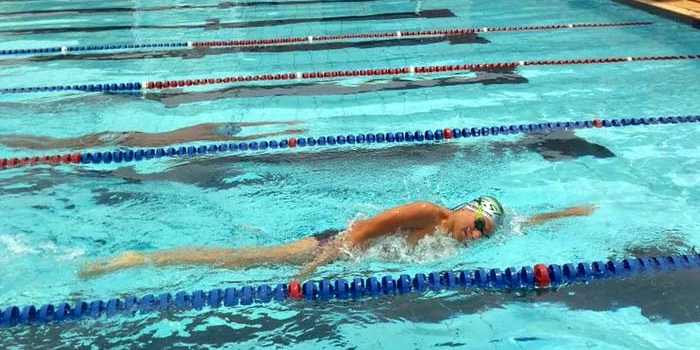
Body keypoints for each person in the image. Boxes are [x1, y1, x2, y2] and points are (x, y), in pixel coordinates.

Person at [80, 197, 595, 280]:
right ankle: (141, 259)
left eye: (484, 234)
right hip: (333, 246)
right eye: (477, 222)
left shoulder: (467, 235)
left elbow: (526, 223)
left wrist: (568, 213)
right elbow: (365, 231)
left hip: (352, 260)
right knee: (243, 263)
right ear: (466, 208)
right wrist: (315, 266)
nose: (476, 235)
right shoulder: (428, 214)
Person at [0, 121, 303, 150]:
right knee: (56, 147)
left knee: (58, 145)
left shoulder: (206, 127)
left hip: (128, 136)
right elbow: (246, 139)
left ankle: (13, 140)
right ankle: (13, 141)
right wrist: (281, 131)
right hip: (127, 141)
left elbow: (246, 130)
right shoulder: (212, 137)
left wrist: (281, 127)